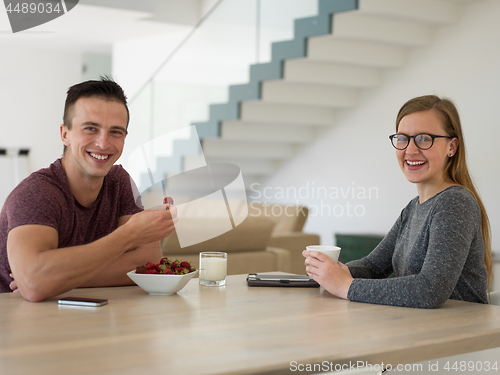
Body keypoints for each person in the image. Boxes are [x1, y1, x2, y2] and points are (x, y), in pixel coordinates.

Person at [303, 95, 492, 309]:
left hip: (463, 334)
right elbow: (374, 266)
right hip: (422, 327)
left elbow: (429, 290)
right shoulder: (413, 208)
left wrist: (346, 286)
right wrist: (333, 272)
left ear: (452, 146)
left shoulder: (455, 203)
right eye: (403, 138)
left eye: (424, 138)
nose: (410, 150)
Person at [0, 78, 177, 302]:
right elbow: (34, 286)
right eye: (90, 128)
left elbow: (148, 261)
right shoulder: (36, 193)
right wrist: (129, 234)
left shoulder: (118, 181)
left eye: (116, 132)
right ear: (65, 134)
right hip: (15, 319)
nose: (103, 143)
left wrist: (58, 278)